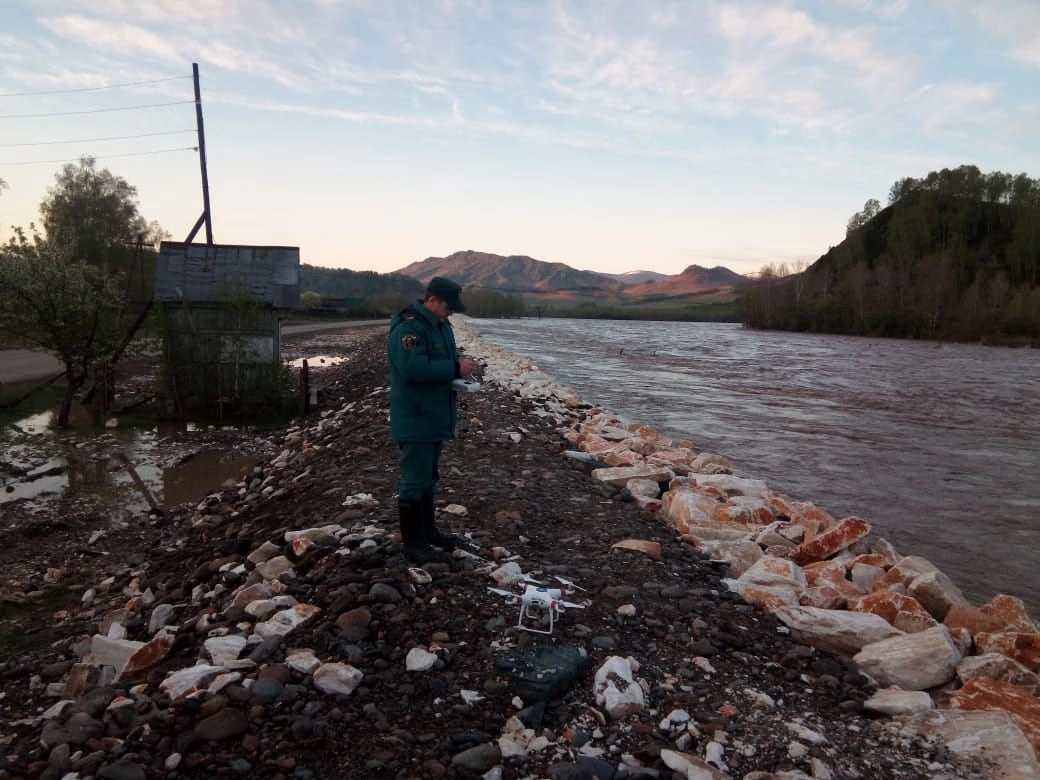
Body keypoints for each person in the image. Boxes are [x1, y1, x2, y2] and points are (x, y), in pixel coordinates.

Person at [387, 277, 480, 564]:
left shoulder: (441, 326)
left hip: (435, 415)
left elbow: (439, 363)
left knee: (428, 478)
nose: (451, 312)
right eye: (448, 307)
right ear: (433, 300)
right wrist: (454, 367)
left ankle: (429, 533)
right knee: (415, 480)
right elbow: (413, 369)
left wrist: (460, 370)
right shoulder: (410, 327)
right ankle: (414, 545)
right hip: (416, 417)